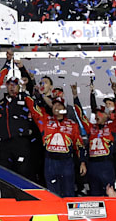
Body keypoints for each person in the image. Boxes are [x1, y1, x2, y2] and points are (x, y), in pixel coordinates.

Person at [24, 66, 85, 196]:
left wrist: (82, 162)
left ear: (64, 108)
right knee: (52, 194)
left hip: (67, 161)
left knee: (68, 192)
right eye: (55, 105)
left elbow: (79, 145)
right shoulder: (45, 120)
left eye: (60, 105)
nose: (57, 107)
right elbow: (34, 109)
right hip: (50, 161)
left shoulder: (72, 125)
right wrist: (26, 91)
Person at [72, 81, 116, 196]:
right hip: (93, 165)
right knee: (95, 195)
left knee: (109, 195)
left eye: (100, 113)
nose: (96, 116)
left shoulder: (112, 127)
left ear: (107, 115)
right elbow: (81, 116)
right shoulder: (91, 128)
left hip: (106, 165)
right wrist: (75, 97)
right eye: (95, 113)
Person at [0, 74, 39, 178]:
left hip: (22, 141)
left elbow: (34, 97)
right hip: (5, 142)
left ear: (19, 86)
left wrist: (28, 83)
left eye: (14, 84)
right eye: (9, 84)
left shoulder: (26, 99)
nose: (12, 87)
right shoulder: (2, 103)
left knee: (24, 171)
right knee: (5, 172)